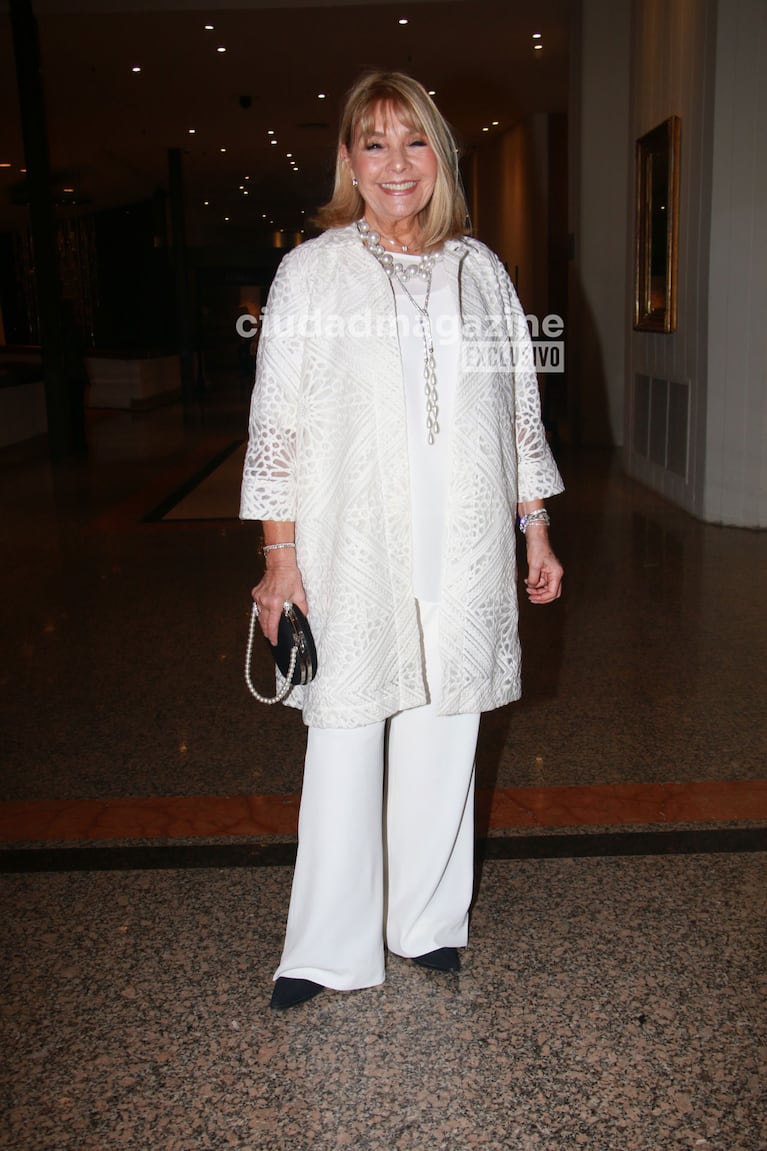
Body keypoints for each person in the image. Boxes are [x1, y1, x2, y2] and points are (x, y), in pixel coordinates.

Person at [240, 71, 564, 1011]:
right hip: (352, 542)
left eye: (412, 141)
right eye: (373, 143)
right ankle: (328, 944)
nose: (394, 163)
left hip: (460, 542)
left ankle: (423, 921)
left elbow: (517, 415)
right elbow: (278, 425)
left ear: (439, 157)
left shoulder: (480, 271)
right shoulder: (311, 272)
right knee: (343, 732)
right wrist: (278, 557)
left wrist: (533, 529)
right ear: (347, 159)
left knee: (446, 725)